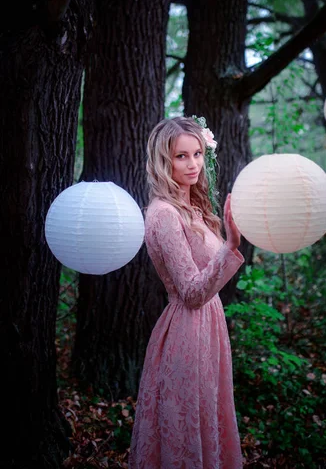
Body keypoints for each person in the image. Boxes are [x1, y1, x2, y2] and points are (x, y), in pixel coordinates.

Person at [129, 116, 244, 469]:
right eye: (181, 156)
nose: (193, 163)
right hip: (187, 329)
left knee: (209, 416)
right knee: (186, 427)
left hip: (210, 326)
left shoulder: (194, 206)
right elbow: (192, 292)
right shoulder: (164, 214)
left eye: (196, 153)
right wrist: (232, 246)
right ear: (164, 161)